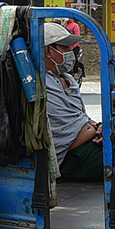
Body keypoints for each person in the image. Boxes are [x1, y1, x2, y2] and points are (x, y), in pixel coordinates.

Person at [41, 21, 104, 181]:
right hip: (75, 157)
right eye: (66, 48)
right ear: (48, 50)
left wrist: (99, 127)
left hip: (94, 142)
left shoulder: (69, 79)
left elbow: (81, 116)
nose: (71, 52)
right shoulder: (40, 82)